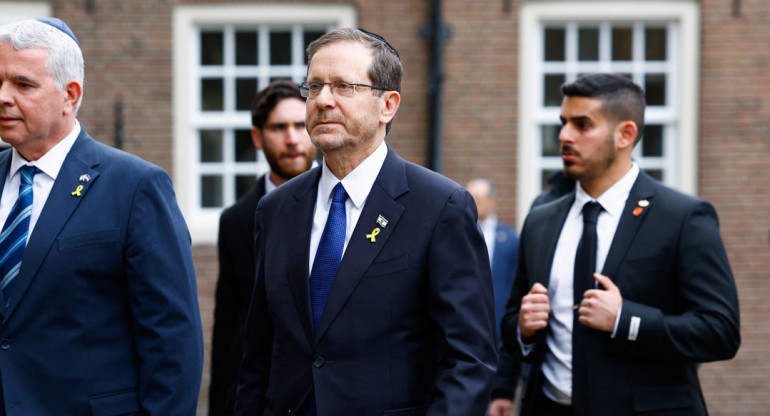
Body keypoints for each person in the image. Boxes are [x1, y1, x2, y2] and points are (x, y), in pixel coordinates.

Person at [235, 28, 497, 416]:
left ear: (387, 105)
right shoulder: (275, 209)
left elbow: (469, 361)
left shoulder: (440, 207)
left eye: (343, 86)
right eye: (314, 86)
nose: (323, 100)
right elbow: (258, 350)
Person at [501, 73, 740, 416]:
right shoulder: (541, 219)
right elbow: (512, 321)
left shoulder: (683, 218)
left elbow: (721, 333)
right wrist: (522, 328)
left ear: (625, 134)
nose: (564, 136)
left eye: (582, 125)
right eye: (564, 122)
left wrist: (625, 319)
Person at [0, 18, 203, 414]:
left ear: (69, 96)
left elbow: (172, 340)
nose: (4, 96)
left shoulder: (135, 187)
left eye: (23, 85)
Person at [209, 79, 317, 416]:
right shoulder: (236, 220)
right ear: (257, 137)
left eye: (301, 125)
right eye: (278, 127)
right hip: (266, 395)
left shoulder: (345, 203)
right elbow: (229, 325)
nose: (292, 139)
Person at [465, 179, 523, 416]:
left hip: (499, 335)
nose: (473, 206)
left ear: (493, 201)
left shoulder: (510, 240)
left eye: (477, 200)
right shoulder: (457, 232)